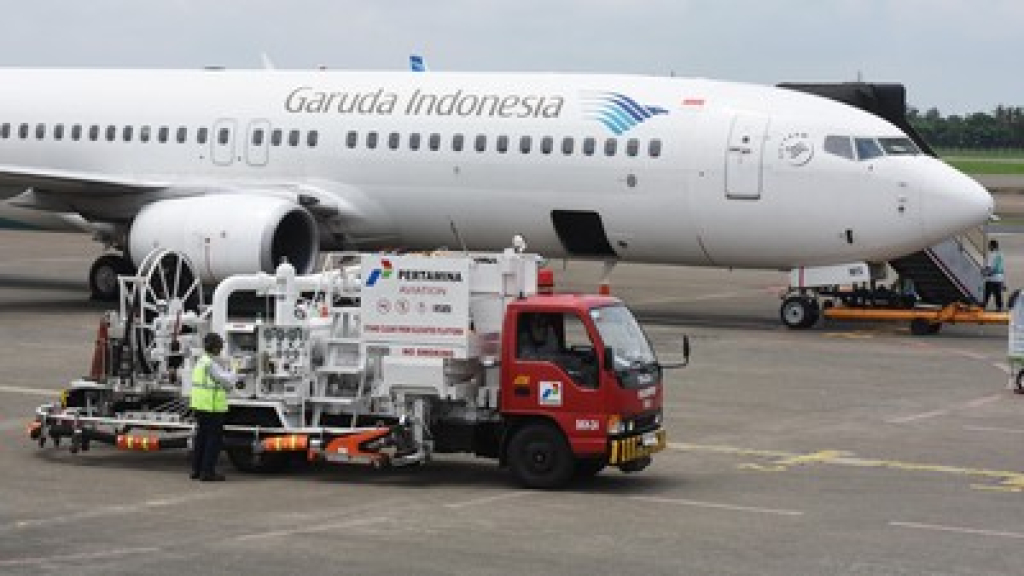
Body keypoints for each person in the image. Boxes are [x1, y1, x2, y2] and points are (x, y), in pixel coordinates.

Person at [189, 332, 237, 481]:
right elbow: (226, 381)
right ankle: (207, 472)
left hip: (200, 405)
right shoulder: (211, 364)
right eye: (220, 347)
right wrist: (235, 369)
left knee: (201, 439)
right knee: (213, 441)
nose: (221, 350)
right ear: (215, 347)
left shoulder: (201, 361)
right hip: (212, 407)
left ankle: (196, 470)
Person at [983, 239, 1006, 311]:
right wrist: (1004, 281)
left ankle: (983, 307)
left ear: (992, 246)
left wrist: (984, 272)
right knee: (998, 294)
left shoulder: (991, 255)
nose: (988, 247)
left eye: (989, 245)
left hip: (991, 278)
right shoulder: (1001, 255)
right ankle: (999, 308)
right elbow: (1002, 267)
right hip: (1000, 278)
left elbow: (988, 267)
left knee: (987, 294)